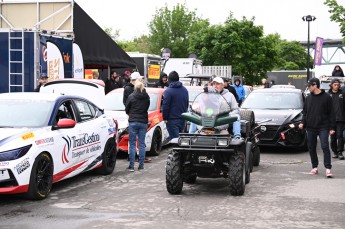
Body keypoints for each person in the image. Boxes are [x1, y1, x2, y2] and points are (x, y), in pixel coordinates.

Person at [298, 77, 335, 177]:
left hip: (323, 126)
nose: (308, 87)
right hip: (311, 126)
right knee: (311, 147)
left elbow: (331, 113)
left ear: (315, 85)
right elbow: (305, 113)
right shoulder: (308, 98)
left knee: (325, 146)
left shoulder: (327, 97)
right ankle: (314, 167)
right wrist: (302, 122)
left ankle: (328, 168)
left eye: (309, 86)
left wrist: (332, 127)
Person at [125, 80, 150, 171]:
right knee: (141, 144)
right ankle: (141, 165)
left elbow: (127, 109)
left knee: (132, 144)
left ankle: (131, 166)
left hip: (133, 121)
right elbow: (147, 107)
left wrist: (131, 113)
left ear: (135, 87)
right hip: (143, 121)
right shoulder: (146, 97)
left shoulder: (131, 96)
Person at [162, 71, 189, 140]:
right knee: (181, 140)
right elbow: (186, 104)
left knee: (175, 141)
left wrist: (165, 118)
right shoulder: (185, 90)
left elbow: (165, 106)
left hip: (172, 119)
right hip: (182, 118)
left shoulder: (168, 91)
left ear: (169, 79)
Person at [328, 78, 345, 160]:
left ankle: (340, 152)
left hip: (341, 119)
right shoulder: (328, 95)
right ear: (331, 85)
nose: (337, 86)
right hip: (331, 120)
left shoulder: (342, 94)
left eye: (338, 85)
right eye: (335, 85)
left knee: (340, 135)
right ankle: (334, 152)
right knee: (333, 137)